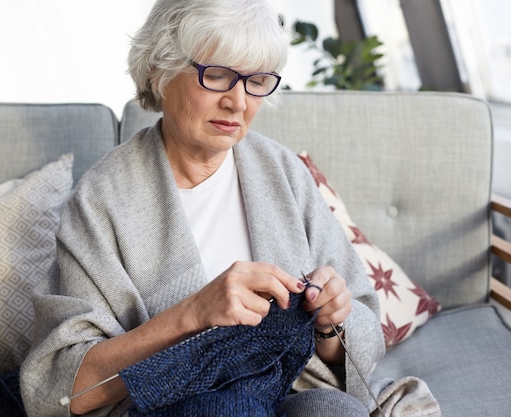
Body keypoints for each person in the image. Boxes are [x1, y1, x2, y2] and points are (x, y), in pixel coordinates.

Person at [20, 0, 385, 416]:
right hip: (176, 405)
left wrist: (331, 323)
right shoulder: (102, 200)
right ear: (160, 72)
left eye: (257, 80)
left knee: (333, 411)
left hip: (290, 397)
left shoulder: (281, 171)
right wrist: (193, 313)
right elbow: (63, 389)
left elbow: (365, 328)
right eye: (217, 75)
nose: (238, 102)